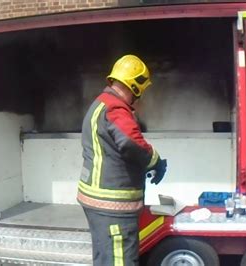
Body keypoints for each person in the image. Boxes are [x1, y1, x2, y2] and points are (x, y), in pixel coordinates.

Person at [77, 54, 167, 266]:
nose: (140, 98)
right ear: (135, 87)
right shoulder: (115, 108)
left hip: (97, 200)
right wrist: (155, 160)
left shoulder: (100, 104)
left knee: (106, 258)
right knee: (120, 261)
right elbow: (130, 142)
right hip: (113, 205)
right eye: (141, 92)